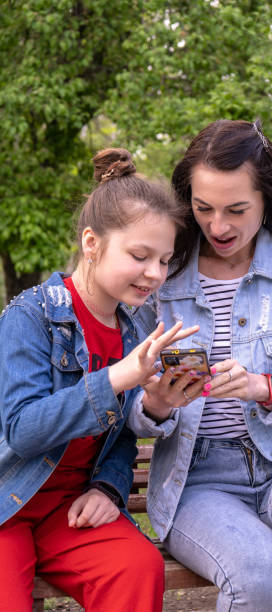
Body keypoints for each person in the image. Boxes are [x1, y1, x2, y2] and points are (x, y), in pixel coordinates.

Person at [128, 120, 272, 612]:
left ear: (267, 200)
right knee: (261, 572)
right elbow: (125, 400)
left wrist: (263, 387)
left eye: (237, 210)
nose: (218, 226)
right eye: (203, 208)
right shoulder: (157, 283)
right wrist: (156, 406)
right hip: (200, 480)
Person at [0, 148, 199, 612]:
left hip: (68, 508)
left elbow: (123, 435)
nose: (154, 273)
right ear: (92, 243)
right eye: (140, 255)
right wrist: (116, 377)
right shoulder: (29, 316)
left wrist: (110, 485)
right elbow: (24, 431)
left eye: (164, 260)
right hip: (8, 503)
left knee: (136, 568)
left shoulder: (132, 331)